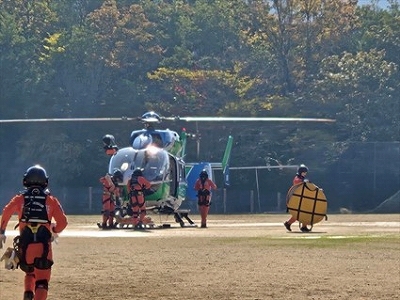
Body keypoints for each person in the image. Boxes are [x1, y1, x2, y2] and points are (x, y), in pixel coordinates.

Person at [0, 165, 68, 300]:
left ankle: (28, 295)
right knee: (42, 281)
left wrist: (2, 231)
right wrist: (54, 230)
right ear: (45, 182)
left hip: (25, 247)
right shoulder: (51, 200)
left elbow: (6, 212)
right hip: (44, 248)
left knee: (30, 273)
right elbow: (63, 223)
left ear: (25, 181)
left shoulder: (19, 199)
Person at [284, 164, 310, 232]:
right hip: (297, 199)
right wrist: (305, 182)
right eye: (304, 172)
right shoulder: (297, 178)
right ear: (301, 172)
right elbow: (298, 183)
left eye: (305, 172)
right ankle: (292, 224)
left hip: (301, 198)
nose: (305, 174)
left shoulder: (302, 179)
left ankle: (301, 225)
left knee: (303, 213)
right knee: (300, 213)